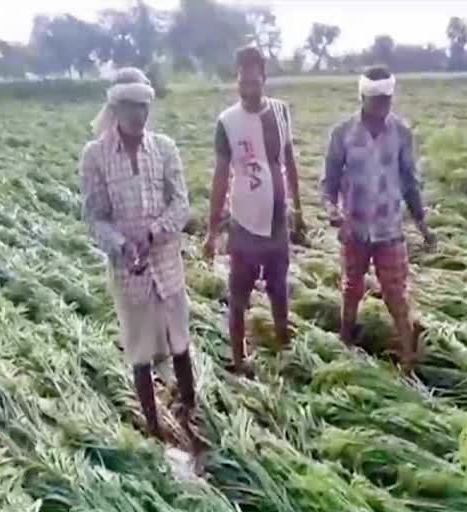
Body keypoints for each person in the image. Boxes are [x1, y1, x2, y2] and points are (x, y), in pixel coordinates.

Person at [78, 68, 203, 455]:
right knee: (140, 350)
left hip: (165, 262)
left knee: (179, 339)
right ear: (116, 106)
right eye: (132, 106)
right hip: (127, 270)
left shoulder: (163, 148)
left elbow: (181, 204)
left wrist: (153, 234)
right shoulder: (95, 155)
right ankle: (154, 429)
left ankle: (189, 409)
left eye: (145, 106)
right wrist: (120, 244)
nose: (139, 114)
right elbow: (94, 216)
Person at [321, 65, 435, 374]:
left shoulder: (401, 133)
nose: (383, 106)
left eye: (387, 99)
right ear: (362, 98)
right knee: (351, 288)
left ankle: (408, 358)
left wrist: (422, 224)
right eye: (377, 100)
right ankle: (345, 340)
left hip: (389, 230)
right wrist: (332, 210)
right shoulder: (342, 134)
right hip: (354, 229)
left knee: (396, 293)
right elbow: (328, 182)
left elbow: (410, 182)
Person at [203, 47, 305, 377]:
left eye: (253, 80)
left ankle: (282, 344)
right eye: (241, 80)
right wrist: (212, 229)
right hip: (245, 223)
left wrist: (298, 208)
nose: (246, 87)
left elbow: (289, 162)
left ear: (264, 77)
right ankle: (238, 358)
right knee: (238, 295)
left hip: (277, 221)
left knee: (278, 288)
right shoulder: (227, 122)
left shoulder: (280, 112)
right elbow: (221, 177)